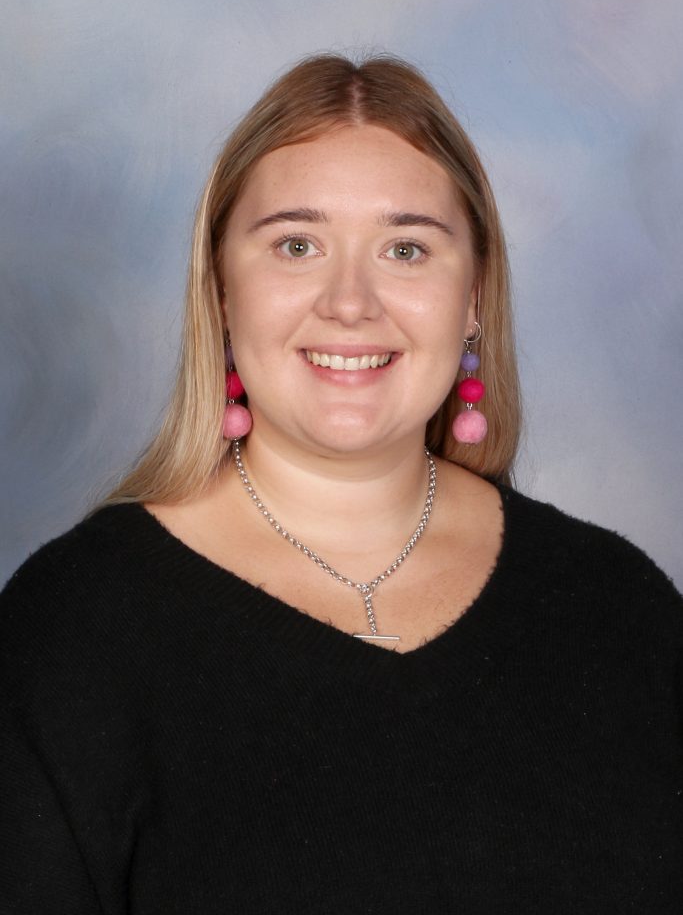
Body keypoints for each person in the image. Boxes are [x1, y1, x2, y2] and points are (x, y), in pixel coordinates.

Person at [1, 54, 681, 914]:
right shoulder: (72, 630)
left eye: (405, 248)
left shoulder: (617, 608)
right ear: (219, 290)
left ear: (472, 296)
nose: (351, 303)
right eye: (296, 245)